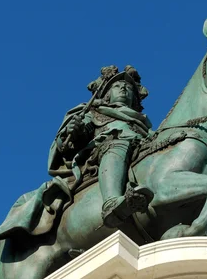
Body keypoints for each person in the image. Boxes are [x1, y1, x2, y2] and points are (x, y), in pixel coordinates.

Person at [49, 65, 154, 227]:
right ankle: (111, 203)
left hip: (138, 147)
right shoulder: (96, 112)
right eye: (117, 86)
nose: (123, 89)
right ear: (107, 95)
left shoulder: (142, 123)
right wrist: (73, 129)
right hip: (103, 152)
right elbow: (68, 142)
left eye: (128, 88)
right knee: (118, 143)